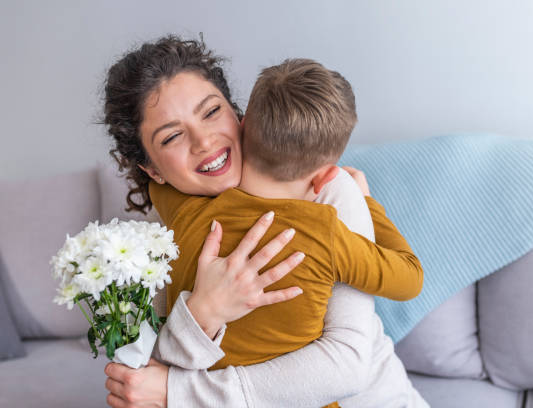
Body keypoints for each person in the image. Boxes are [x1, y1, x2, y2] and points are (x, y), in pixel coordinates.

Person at [102, 35, 429, 407]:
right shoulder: (175, 219)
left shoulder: (329, 191)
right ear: (152, 170)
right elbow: (148, 372)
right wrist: (203, 312)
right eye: (173, 136)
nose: (205, 141)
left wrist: (176, 392)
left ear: (238, 113)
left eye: (211, 112)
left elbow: (347, 366)